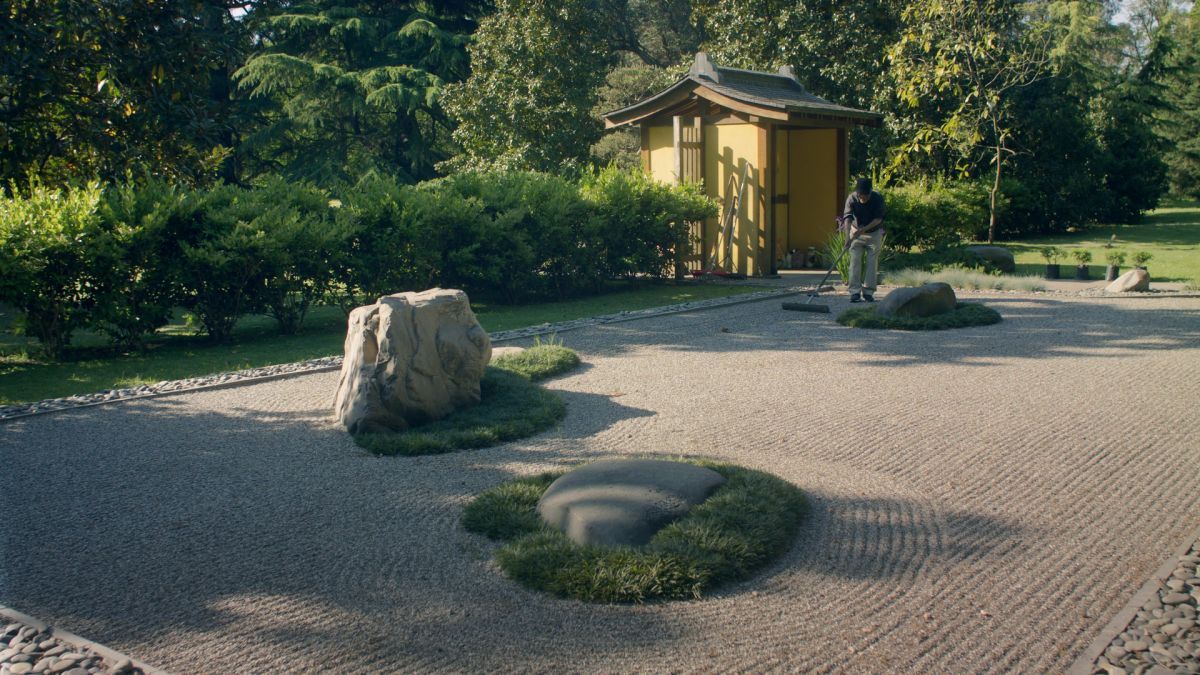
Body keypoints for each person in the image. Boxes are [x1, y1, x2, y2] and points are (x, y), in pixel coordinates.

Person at [842, 177, 886, 302]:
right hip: (855, 233)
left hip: (873, 234)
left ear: (870, 192)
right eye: (860, 196)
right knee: (854, 262)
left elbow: (878, 219)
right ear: (857, 192)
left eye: (865, 196)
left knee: (872, 263)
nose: (862, 199)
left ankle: (868, 292)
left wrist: (864, 229)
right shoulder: (852, 198)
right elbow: (847, 218)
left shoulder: (877, 199)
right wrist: (847, 237)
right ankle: (855, 292)